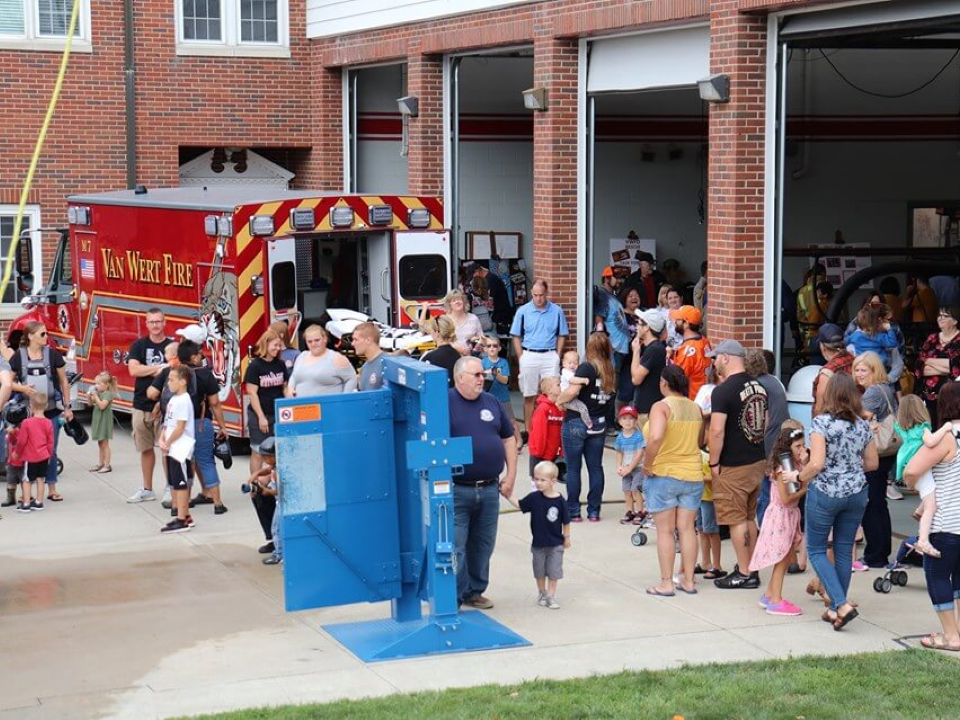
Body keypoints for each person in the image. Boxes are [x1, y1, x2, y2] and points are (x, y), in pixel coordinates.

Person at [791, 373, 877, 630]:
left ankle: (841, 603)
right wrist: (849, 467)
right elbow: (872, 463)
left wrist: (798, 475)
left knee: (816, 550)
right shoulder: (862, 425)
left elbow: (816, 463)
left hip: (826, 492)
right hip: (856, 492)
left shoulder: (822, 424)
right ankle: (834, 610)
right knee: (843, 550)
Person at [448, 356, 517, 609]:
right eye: (476, 375)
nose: (482, 378)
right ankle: (453, 595)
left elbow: (509, 439)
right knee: (456, 546)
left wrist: (510, 476)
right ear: (460, 378)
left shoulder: (492, 402)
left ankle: (474, 591)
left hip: (489, 488)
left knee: (484, 544)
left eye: (482, 374)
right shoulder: (445, 403)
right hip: (457, 489)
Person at [903, 382, 960, 650]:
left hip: (946, 523)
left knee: (937, 576)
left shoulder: (948, 437)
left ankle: (951, 636)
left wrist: (918, 489)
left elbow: (912, 470)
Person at [708, 340, 768, 590]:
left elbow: (717, 430)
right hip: (756, 458)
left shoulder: (722, 391)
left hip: (733, 464)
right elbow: (764, 422)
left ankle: (745, 573)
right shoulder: (759, 385)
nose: (713, 362)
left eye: (715, 358)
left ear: (725, 357)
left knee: (736, 519)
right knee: (748, 516)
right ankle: (750, 567)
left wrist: (713, 462)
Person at [641, 365, 704, 596]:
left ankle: (666, 583)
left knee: (665, 531)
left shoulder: (661, 407)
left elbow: (656, 436)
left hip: (664, 473)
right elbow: (701, 439)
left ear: (664, 383)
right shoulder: (695, 407)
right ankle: (688, 580)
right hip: (693, 473)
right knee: (688, 529)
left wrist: (647, 464)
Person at [150, 339, 229, 514]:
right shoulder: (205, 374)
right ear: (193, 357)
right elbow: (215, 403)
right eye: (200, 354)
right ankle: (217, 504)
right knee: (206, 462)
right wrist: (222, 426)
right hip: (200, 423)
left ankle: (177, 506)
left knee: (179, 465)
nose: (202, 356)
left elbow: (152, 393)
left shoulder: (170, 373)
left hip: (175, 425)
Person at [9, 321, 73, 503]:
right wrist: (22, 389)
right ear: (30, 336)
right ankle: (26, 492)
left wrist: (67, 408)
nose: (47, 337)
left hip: (51, 411)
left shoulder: (53, 355)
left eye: (47, 334)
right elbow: (8, 382)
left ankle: (51, 488)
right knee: (24, 451)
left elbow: (64, 382)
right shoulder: (18, 357)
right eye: (43, 334)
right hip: (26, 413)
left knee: (50, 450)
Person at [750, 427, 809, 616]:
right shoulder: (783, 469)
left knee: (785, 556)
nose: (802, 449)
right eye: (798, 446)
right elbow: (785, 499)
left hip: (789, 516)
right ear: (787, 448)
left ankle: (769, 594)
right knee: (781, 558)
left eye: (803, 445)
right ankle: (776, 601)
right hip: (781, 516)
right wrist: (806, 488)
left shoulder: (795, 466)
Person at [557, 332, 614, 522]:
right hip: (598, 423)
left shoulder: (587, 367)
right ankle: (594, 511)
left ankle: (574, 511)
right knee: (595, 468)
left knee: (573, 468)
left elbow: (572, 392)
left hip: (576, 422)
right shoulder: (609, 370)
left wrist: (559, 399)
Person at [506, 460, 571, 610]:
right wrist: (508, 495)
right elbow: (520, 504)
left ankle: (551, 596)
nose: (538, 483)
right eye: (536, 479)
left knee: (554, 571)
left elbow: (566, 521)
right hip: (538, 544)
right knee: (539, 571)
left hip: (556, 543)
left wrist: (566, 538)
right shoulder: (534, 498)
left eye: (542, 480)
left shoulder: (560, 500)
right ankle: (542, 592)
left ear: (553, 481)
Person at [853, 351, 898, 568]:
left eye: (863, 370)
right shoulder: (886, 388)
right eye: (856, 369)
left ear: (874, 371)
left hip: (876, 453)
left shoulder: (871, 393)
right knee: (880, 503)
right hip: (887, 452)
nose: (858, 374)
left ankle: (875, 555)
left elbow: (857, 419)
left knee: (871, 504)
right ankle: (882, 551)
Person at [511, 279, 568, 443]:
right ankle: (529, 432)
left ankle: (553, 429)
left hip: (549, 354)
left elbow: (562, 334)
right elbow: (516, 335)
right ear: (531, 293)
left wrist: (557, 354)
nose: (538, 299)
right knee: (529, 395)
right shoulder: (523, 311)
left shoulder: (556, 311)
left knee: (554, 393)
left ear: (546, 293)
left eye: (541, 295)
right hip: (529, 353)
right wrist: (521, 356)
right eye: (535, 295)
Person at [896, 395, 951, 558]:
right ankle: (923, 540)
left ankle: (920, 510)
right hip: (921, 469)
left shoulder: (902, 428)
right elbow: (931, 442)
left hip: (907, 465)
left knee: (930, 494)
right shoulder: (922, 427)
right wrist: (945, 427)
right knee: (931, 506)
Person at [126, 307, 171, 503]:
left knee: (167, 449)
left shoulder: (172, 346)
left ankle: (171, 486)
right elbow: (133, 370)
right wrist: (160, 369)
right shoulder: (138, 345)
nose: (155, 325)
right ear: (146, 324)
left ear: (164, 322)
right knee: (145, 448)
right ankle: (147, 489)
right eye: (151, 322)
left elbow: (177, 371)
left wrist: (149, 370)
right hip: (140, 405)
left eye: (158, 321)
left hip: (166, 407)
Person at [746, 349, 789, 527]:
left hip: (767, 446)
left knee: (765, 494)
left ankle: (766, 534)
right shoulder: (774, 381)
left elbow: (762, 419)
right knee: (778, 492)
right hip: (781, 442)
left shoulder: (757, 386)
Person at [244, 329, 290, 474]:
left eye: (279, 346)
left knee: (278, 451)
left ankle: (276, 487)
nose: (278, 349)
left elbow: (285, 388)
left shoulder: (281, 365)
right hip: (259, 414)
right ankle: (255, 487)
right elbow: (252, 392)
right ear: (266, 343)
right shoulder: (255, 366)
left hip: (277, 413)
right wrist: (261, 417)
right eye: (275, 345)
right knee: (258, 451)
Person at [159, 365, 196, 534]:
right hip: (172, 446)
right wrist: (162, 438)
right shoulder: (174, 399)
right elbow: (168, 423)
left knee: (180, 483)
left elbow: (180, 427)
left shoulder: (184, 400)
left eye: (172, 380)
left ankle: (182, 520)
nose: (168, 383)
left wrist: (169, 442)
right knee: (174, 482)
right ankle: (185, 515)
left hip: (180, 447)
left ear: (183, 381)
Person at [915, 306, 960, 426]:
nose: (940, 318)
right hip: (930, 396)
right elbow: (920, 366)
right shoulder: (932, 339)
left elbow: (957, 370)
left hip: (954, 398)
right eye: (939, 315)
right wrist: (948, 366)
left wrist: (929, 361)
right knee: (932, 429)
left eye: (945, 316)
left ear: (955, 320)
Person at [287, 324, 357, 396]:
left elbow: (351, 378)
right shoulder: (301, 356)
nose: (313, 344)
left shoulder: (336, 358)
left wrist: (344, 399)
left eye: (317, 340)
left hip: (328, 405)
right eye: (309, 341)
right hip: (301, 406)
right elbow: (294, 377)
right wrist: (290, 388)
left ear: (325, 339)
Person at [13, 393, 55, 513]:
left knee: (27, 480)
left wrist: (17, 452)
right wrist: (49, 454)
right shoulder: (48, 422)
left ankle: (26, 503)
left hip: (30, 457)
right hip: (43, 456)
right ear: (46, 406)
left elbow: (22, 441)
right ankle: (38, 502)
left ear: (31, 405)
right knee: (40, 479)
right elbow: (51, 441)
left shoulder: (27, 423)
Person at [481, 336, 522, 449]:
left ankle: (519, 440)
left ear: (499, 348)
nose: (492, 348)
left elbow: (506, 380)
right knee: (489, 420)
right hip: (488, 396)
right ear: (485, 349)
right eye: (489, 346)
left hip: (502, 396)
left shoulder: (503, 362)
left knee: (511, 420)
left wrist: (496, 374)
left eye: (495, 346)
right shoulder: (482, 362)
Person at [630, 309, 667, 426]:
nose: (637, 327)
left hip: (647, 410)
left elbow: (636, 379)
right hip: (648, 406)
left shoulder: (654, 349)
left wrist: (636, 352)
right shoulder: (652, 347)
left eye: (639, 323)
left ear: (647, 328)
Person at [251, 437, 283, 566]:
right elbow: (269, 469)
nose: (265, 460)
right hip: (278, 501)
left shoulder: (282, 470)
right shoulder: (275, 465)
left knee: (277, 529)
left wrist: (267, 491)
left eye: (267, 457)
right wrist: (256, 474)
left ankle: (279, 554)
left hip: (282, 502)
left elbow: (281, 492)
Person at [668, 306, 712, 400]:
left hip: (692, 400)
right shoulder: (704, 341)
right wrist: (674, 356)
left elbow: (677, 382)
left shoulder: (687, 351)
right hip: (703, 397)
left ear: (686, 324)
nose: (675, 321)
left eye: (678, 319)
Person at [527, 377, 564, 484]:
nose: (561, 386)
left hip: (552, 453)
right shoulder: (543, 408)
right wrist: (538, 452)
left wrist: (561, 451)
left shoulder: (560, 408)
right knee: (537, 482)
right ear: (549, 390)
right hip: (540, 453)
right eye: (558, 384)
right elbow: (539, 432)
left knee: (549, 483)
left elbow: (562, 432)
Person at [812, 324, 853, 418]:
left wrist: (815, 428)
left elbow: (819, 408)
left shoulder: (827, 372)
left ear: (822, 346)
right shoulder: (854, 360)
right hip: (855, 421)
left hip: (834, 425)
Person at [614, 405, 646, 525]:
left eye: (631, 418)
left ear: (636, 420)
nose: (628, 421)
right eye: (624, 418)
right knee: (626, 490)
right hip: (626, 468)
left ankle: (640, 511)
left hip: (637, 468)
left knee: (635, 490)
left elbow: (639, 454)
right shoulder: (620, 437)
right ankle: (630, 511)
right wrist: (619, 466)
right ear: (620, 421)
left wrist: (630, 468)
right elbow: (619, 452)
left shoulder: (638, 436)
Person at [593, 267, 630, 362]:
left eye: (622, 278)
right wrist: (608, 346)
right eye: (617, 278)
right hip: (613, 349)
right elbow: (599, 320)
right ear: (607, 278)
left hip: (619, 349)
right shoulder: (602, 294)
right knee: (612, 376)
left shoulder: (611, 295)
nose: (620, 281)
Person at [88, 371, 117, 473]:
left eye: (99, 384)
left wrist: (96, 397)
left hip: (104, 420)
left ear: (107, 385)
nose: (97, 386)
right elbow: (90, 404)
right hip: (98, 419)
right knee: (100, 443)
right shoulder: (99, 393)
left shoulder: (108, 394)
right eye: (96, 383)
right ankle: (100, 463)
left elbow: (102, 406)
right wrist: (90, 396)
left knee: (104, 443)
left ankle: (107, 465)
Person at [420, 315, 462, 387]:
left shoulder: (429, 358)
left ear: (437, 332)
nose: (430, 333)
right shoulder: (458, 355)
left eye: (431, 330)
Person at [617, 287, 642, 405]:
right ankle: (622, 418)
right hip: (626, 357)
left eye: (636, 295)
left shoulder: (644, 314)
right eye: (630, 296)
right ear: (624, 299)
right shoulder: (620, 315)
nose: (634, 298)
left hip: (643, 355)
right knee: (626, 389)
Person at [473, 264, 511, 334]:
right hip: (496, 316)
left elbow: (490, 302)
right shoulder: (488, 278)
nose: (474, 276)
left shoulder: (491, 280)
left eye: (474, 273)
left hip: (499, 317)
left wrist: (479, 302)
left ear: (478, 271)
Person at [444, 289, 484, 354]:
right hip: (450, 356)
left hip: (470, 356)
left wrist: (475, 347)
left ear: (464, 302)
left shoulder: (473, 318)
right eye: (454, 301)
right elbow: (442, 341)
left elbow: (481, 338)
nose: (457, 302)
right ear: (449, 304)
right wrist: (460, 349)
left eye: (459, 299)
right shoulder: (445, 320)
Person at [559, 350, 592, 429]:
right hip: (567, 399)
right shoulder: (566, 372)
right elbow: (572, 380)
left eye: (575, 363)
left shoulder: (573, 371)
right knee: (582, 408)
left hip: (572, 398)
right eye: (569, 363)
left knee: (579, 409)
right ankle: (589, 424)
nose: (572, 365)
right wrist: (584, 380)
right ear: (563, 363)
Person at [352, 322, 385, 391]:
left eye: (356, 339)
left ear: (368, 340)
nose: (352, 344)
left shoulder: (387, 364)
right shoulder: (364, 367)